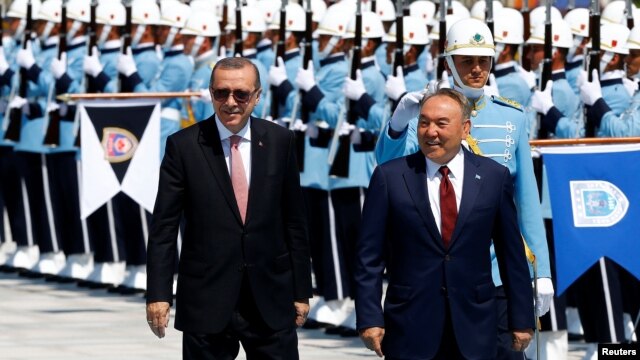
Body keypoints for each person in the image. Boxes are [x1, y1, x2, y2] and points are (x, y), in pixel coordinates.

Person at [146, 57, 312, 360]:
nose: (230, 102)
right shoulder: (184, 146)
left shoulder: (280, 141)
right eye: (221, 93)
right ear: (211, 93)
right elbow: (164, 227)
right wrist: (158, 294)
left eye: (241, 94)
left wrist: (301, 290)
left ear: (257, 96)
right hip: (207, 298)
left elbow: (294, 221)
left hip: (269, 299)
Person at [355, 88, 534, 359]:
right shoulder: (390, 177)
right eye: (424, 122)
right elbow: (369, 256)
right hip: (410, 325)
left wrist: (521, 317)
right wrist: (369, 317)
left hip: (475, 325)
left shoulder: (493, 177)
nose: (430, 132)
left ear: (465, 129)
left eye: (441, 123)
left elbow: (511, 255)